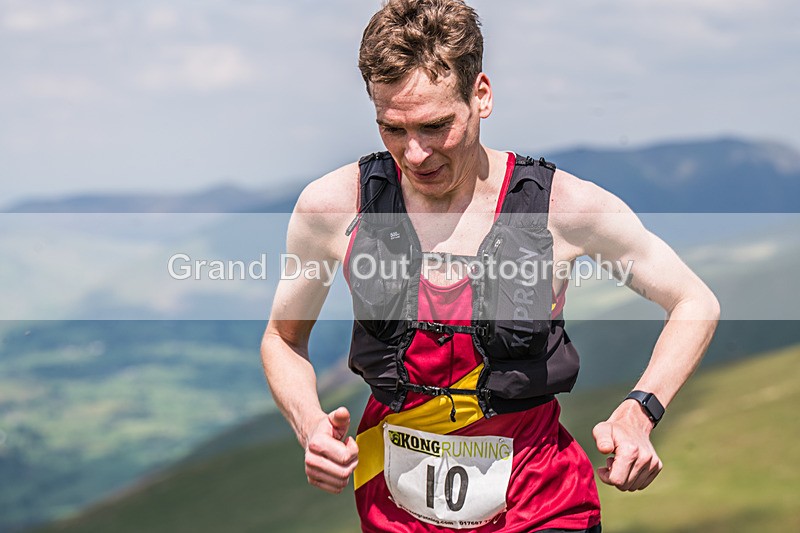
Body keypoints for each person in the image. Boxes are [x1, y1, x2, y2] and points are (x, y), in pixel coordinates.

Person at [261, 0, 719, 531]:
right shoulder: (332, 206)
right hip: (393, 514)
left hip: (545, 507)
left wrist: (640, 411)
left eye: (435, 126)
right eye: (392, 129)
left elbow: (694, 301)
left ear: (481, 95)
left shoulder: (564, 209)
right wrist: (310, 424)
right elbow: (283, 338)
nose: (415, 154)